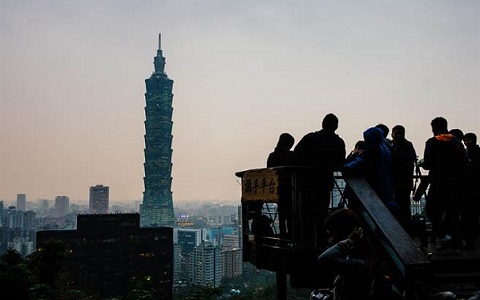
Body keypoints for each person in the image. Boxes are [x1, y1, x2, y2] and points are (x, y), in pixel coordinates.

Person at [294, 113, 346, 249]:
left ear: (322, 123)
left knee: (306, 215)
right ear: (336, 126)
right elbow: (340, 162)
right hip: (324, 183)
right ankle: (320, 243)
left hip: (307, 183)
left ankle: (307, 243)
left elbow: (297, 154)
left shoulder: (310, 138)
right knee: (321, 215)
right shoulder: (337, 142)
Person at [419, 117, 465, 253]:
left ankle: (443, 236)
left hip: (438, 182)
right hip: (454, 182)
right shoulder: (457, 142)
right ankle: (456, 245)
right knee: (452, 213)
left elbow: (427, 164)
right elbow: (463, 162)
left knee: (431, 211)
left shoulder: (432, 142)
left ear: (434, 127)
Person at [345, 127, 392, 205]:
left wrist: (351, 161)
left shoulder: (373, 148)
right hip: (384, 184)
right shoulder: (385, 148)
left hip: (373, 185)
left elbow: (363, 162)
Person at [266, 132, 298, 237]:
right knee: (291, 215)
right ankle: (292, 235)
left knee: (282, 214)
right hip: (290, 189)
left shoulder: (272, 156)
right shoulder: (291, 156)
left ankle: (284, 235)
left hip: (277, 189)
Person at [391, 125, 417, 228]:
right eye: (397, 133)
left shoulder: (406, 146)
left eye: (401, 133)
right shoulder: (403, 146)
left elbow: (409, 160)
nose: (399, 135)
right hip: (399, 181)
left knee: (404, 207)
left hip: (402, 182)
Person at [461, 132, 480, 250]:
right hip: (473, 186)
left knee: (469, 215)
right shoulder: (471, 153)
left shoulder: (467, 153)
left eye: (468, 140)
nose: (467, 143)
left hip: (470, 186)